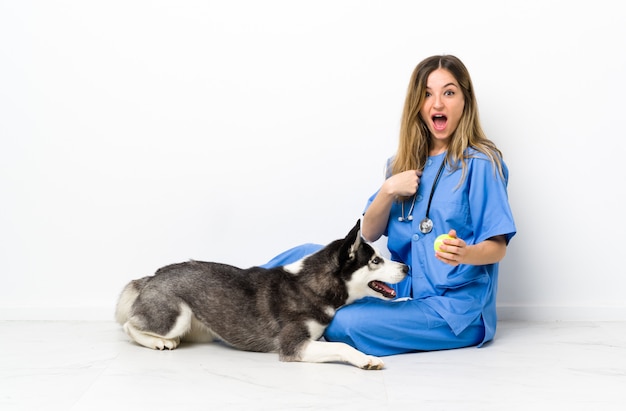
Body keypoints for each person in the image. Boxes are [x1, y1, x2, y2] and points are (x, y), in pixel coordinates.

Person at [261, 54, 516, 356]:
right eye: (426, 94)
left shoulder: (481, 164)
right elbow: (368, 232)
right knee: (302, 254)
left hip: (451, 310)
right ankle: (233, 297)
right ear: (416, 104)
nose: (437, 104)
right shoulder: (400, 164)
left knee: (344, 321)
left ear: (465, 100)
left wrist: (466, 253)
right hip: (398, 289)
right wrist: (388, 190)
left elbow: (497, 247)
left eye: (449, 92)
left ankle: (274, 318)